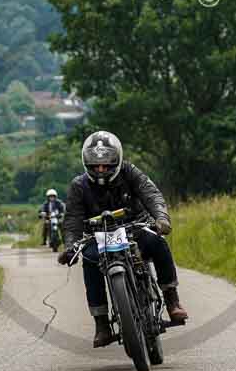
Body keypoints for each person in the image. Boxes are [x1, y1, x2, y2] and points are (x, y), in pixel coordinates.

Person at [58, 131, 188, 348]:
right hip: (98, 237)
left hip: (135, 228)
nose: (101, 169)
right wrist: (70, 246)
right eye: (95, 165)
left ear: (116, 161)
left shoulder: (130, 172)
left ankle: (172, 299)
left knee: (157, 242)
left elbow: (151, 194)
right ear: (86, 163)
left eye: (106, 165)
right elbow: (72, 220)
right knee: (89, 261)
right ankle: (101, 324)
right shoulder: (78, 186)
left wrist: (161, 218)